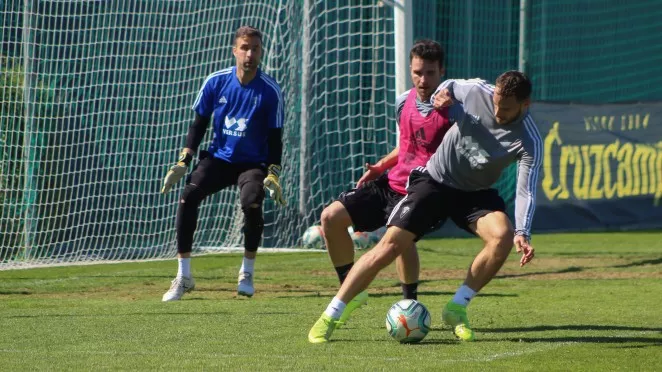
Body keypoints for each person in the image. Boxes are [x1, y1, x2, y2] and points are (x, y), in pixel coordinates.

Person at [308, 70, 541, 343]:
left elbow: (526, 189)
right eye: (496, 103)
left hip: (475, 194)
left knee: (502, 236)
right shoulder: (478, 90)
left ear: (526, 104)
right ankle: (331, 315)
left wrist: (523, 232)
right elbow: (448, 86)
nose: (498, 111)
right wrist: (443, 97)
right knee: (390, 246)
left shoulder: (529, 140)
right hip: (435, 180)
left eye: (506, 108)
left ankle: (456, 308)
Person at [318, 39, 459, 326]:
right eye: (418, 72)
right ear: (410, 69)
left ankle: (410, 302)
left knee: (400, 238)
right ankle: (351, 288)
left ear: (442, 71)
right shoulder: (402, 101)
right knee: (330, 218)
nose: (423, 79)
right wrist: (381, 166)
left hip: (423, 191)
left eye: (430, 73)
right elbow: (407, 145)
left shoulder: (453, 110)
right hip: (390, 184)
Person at [160, 26, 286, 301]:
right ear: (234, 50)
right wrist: (185, 160)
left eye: (255, 48)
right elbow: (199, 124)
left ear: (261, 52)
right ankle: (183, 276)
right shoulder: (216, 82)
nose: (249, 54)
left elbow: (276, 138)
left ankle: (247, 272)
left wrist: (274, 173)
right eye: (244, 47)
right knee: (188, 196)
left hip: (252, 164)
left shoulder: (270, 91)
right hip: (218, 159)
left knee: (252, 200)